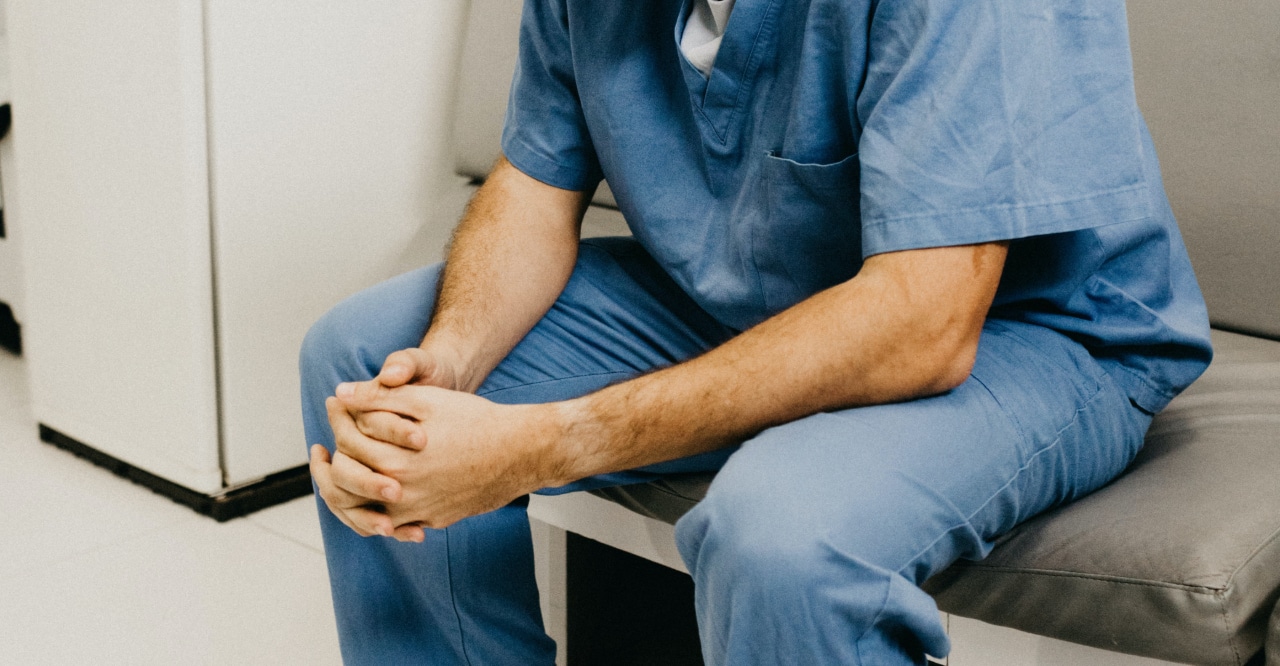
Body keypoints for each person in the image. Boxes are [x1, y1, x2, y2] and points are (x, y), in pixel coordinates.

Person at [299, 0, 1212, 663]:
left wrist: (543, 443)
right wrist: (446, 368)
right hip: (748, 285)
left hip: (1034, 327)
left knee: (781, 537)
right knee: (368, 367)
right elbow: (535, 182)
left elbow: (924, 324)